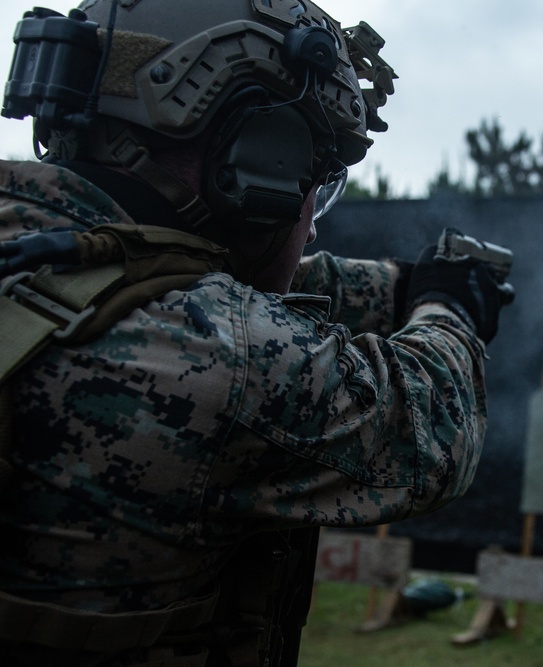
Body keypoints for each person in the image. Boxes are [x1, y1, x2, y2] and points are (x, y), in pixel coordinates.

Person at [0, 1, 506, 665]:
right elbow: (431, 425)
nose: (312, 222)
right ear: (259, 161)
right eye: (314, 180)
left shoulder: (39, 251)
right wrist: (450, 306)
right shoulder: (222, 356)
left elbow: (159, 268)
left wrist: (396, 284)